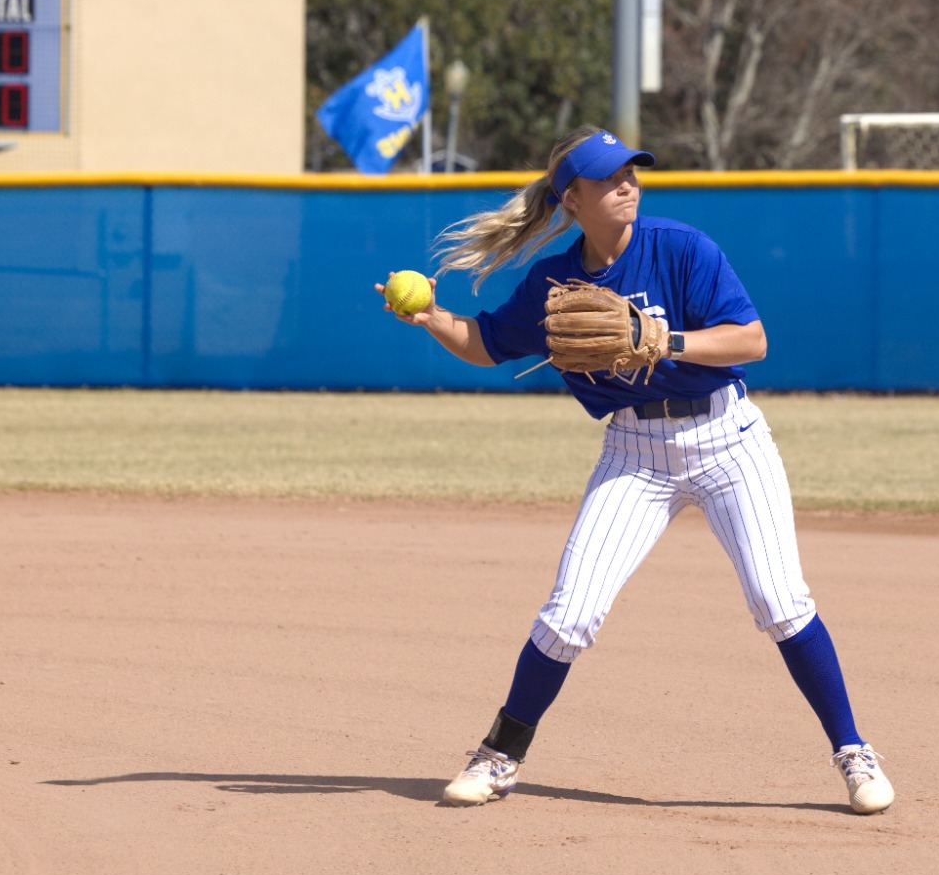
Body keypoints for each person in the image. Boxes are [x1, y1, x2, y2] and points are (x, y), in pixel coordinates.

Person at [376, 127, 894, 815]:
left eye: (632, 172)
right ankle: (499, 754)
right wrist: (436, 317)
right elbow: (489, 342)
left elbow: (753, 340)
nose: (627, 183)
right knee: (569, 614)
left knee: (780, 599)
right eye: (608, 176)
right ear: (572, 198)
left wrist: (665, 338)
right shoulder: (554, 282)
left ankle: (853, 751)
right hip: (635, 453)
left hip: (727, 437)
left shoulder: (681, 248)